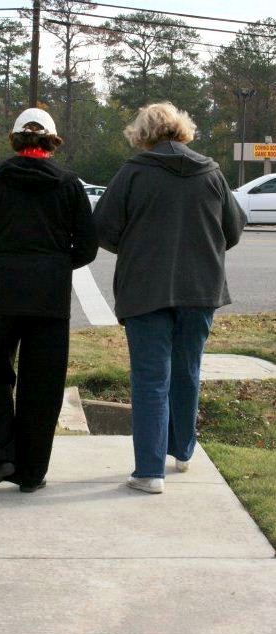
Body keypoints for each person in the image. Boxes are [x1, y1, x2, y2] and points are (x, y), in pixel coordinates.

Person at [94, 102, 247, 494]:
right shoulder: (211, 172)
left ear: (142, 134)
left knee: (150, 378)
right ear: (182, 129)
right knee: (187, 371)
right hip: (201, 289)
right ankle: (181, 451)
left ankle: (149, 471)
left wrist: (134, 247)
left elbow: (103, 228)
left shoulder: (133, 173)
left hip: (145, 289)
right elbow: (233, 230)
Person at [0, 108, 98, 493]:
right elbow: (87, 246)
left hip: (3, 291)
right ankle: (32, 472)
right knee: (44, 382)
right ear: (51, 142)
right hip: (50, 297)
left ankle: (0, 456)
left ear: (17, 140)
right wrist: (57, 265)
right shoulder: (69, 184)